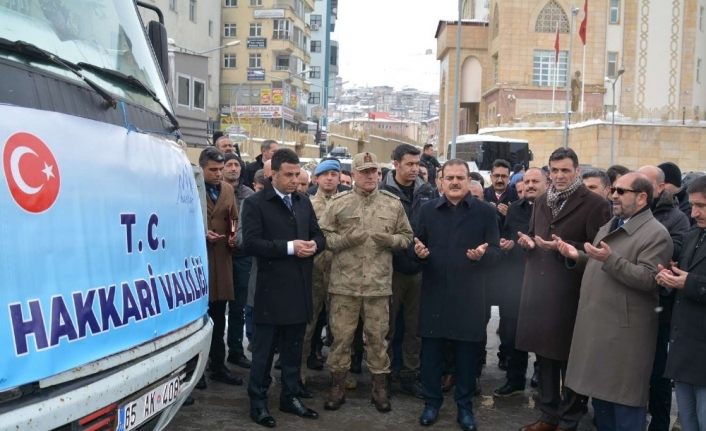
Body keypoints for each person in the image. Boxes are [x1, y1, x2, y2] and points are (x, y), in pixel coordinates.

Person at [555, 172, 672, 431]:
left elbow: (650, 279)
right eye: (614, 190)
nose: (614, 195)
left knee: (625, 406)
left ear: (642, 198)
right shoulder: (611, 225)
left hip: (625, 336)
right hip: (600, 331)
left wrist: (610, 260)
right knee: (603, 405)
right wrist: (578, 255)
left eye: (621, 191)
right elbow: (600, 262)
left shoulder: (655, 234)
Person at [515, 147, 611, 431]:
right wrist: (530, 244)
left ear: (577, 171)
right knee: (544, 357)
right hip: (540, 291)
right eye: (554, 170)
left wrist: (567, 250)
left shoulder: (595, 204)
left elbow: (600, 251)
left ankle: (569, 420)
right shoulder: (542, 200)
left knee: (572, 360)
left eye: (565, 170)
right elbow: (537, 236)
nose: (558, 176)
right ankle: (548, 415)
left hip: (573, 293)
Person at [319, 151, 413, 413]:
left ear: (379, 174)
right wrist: (345, 240)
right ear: (354, 175)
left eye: (374, 171)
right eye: (364, 171)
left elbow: (407, 236)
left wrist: (391, 241)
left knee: (377, 339)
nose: (370, 176)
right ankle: (337, 386)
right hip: (344, 285)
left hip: (377, 286)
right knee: (341, 339)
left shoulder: (393, 204)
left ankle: (379, 389)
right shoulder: (338, 203)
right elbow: (322, 236)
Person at [413, 159, 501, 431]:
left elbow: (497, 253)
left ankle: (464, 407)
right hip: (434, 293)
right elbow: (413, 246)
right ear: (440, 181)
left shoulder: (485, 212)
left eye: (459, 178)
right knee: (431, 356)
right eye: (448, 177)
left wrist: (483, 256)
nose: (454, 182)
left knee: (466, 356)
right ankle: (431, 404)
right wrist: (418, 254)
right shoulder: (427, 211)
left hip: (469, 296)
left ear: (468, 180)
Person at [241, 148, 325, 428]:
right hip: (269, 291)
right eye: (288, 175)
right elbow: (250, 243)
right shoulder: (255, 203)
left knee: (293, 350)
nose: (293, 180)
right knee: (264, 354)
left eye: (296, 174)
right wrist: (289, 247)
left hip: (299, 289)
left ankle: (290, 396)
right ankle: (259, 402)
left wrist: (315, 245)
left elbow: (318, 234)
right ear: (272, 175)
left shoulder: (302, 202)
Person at [381, 144, 436, 398]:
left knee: (414, 327)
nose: (415, 169)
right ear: (396, 164)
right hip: (389, 268)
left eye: (417, 164)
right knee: (387, 327)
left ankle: (410, 375)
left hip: (418, 270)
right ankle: (384, 375)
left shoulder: (427, 191)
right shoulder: (382, 192)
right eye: (409, 164)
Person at [639, 165, 691, 431]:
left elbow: (675, 253)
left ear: (660, 187)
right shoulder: (628, 213)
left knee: (658, 369)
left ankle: (658, 422)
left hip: (660, 305)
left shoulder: (676, 218)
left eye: (645, 182)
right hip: (633, 304)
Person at [493, 168, 548, 398]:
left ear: (547, 183)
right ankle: (515, 379)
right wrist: (506, 245)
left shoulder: (554, 210)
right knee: (512, 333)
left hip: (544, 282)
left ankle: (543, 377)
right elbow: (506, 236)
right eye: (527, 181)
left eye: (536, 181)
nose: (530, 185)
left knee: (544, 334)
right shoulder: (515, 208)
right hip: (516, 281)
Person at [658, 175, 706, 431]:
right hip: (684, 347)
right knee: (688, 421)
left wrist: (688, 282)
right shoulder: (692, 235)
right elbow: (684, 277)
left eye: (702, 206)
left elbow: (692, 281)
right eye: (693, 205)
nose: (694, 212)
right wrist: (670, 275)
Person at [199, 147, 243, 386]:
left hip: (222, 259)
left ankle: (218, 365)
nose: (218, 174)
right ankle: (197, 372)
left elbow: (234, 218)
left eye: (220, 169)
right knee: (199, 319)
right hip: (199, 262)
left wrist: (233, 236)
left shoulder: (227, 189)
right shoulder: (191, 187)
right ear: (202, 168)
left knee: (219, 316)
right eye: (212, 170)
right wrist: (200, 234)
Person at [301, 159, 341, 379]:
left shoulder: (347, 203)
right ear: (316, 179)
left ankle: (338, 376)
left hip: (340, 272)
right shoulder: (306, 203)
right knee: (308, 324)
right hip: (314, 272)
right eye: (325, 174)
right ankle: (299, 374)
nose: (329, 178)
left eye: (334, 174)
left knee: (339, 328)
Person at [222, 153, 255, 369]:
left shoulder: (249, 195)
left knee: (238, 307)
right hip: (219, 254)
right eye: (229, 165)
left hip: (242, 256)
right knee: (215, 307)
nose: (234, 168)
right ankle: (214, 354)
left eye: (237, 165)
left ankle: (235, 349)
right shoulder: (216, 192)